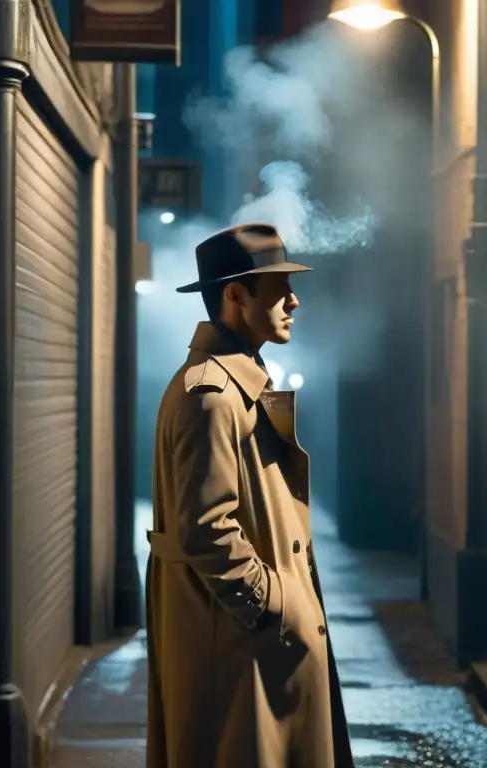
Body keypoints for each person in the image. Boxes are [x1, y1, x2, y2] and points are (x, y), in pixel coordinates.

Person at [145, 223, 354, 768]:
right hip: (241, 649)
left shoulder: (235, 382)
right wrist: (273, 606)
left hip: (250, 646)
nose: (294, 299)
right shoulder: (212, 395)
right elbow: (206, 528)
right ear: (235, 295)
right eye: (278, 287)